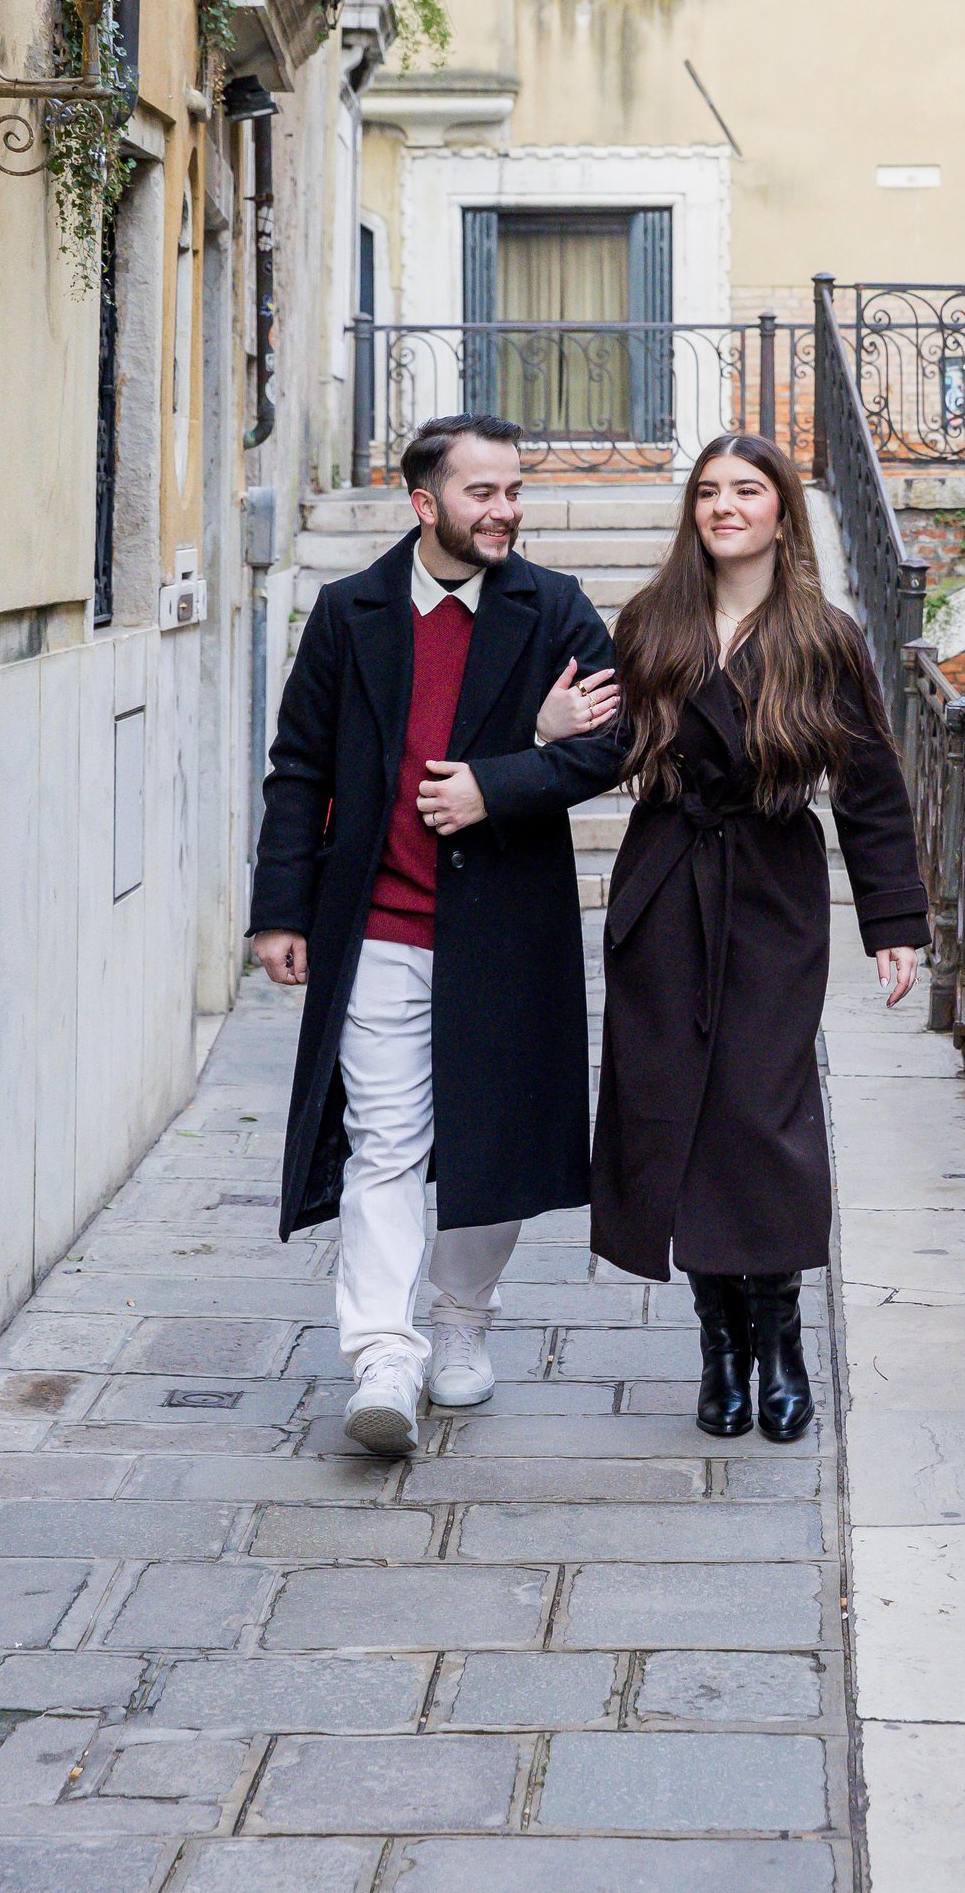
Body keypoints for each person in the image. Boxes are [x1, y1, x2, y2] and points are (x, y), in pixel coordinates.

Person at [249, 414, 621, 1457]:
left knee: (488, 1138)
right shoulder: (349, 611)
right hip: (374, 924)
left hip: (502, 927)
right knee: (385, 1141)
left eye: (512, 490)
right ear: (425, 505)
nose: (503, 510)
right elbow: (300, 769)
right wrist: (281, 907)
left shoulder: (555, 609)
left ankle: (462, 1323)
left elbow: (617, 746)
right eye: (481, 493)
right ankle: (383, 1356)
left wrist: (501, 783)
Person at [586, 433, 928, 1443]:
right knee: (673, 1107)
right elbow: (607, 750)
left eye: (746, 490)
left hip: (773, 893)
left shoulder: (822, 635)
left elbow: (870, 789)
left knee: (761, 1112)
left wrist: (893, 922)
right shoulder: (653, 621)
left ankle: (778, 1334)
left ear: (783, 510)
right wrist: (551, 728)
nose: (725, 506)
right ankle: (718, 1347)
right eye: (708, 492)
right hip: (663, 886)